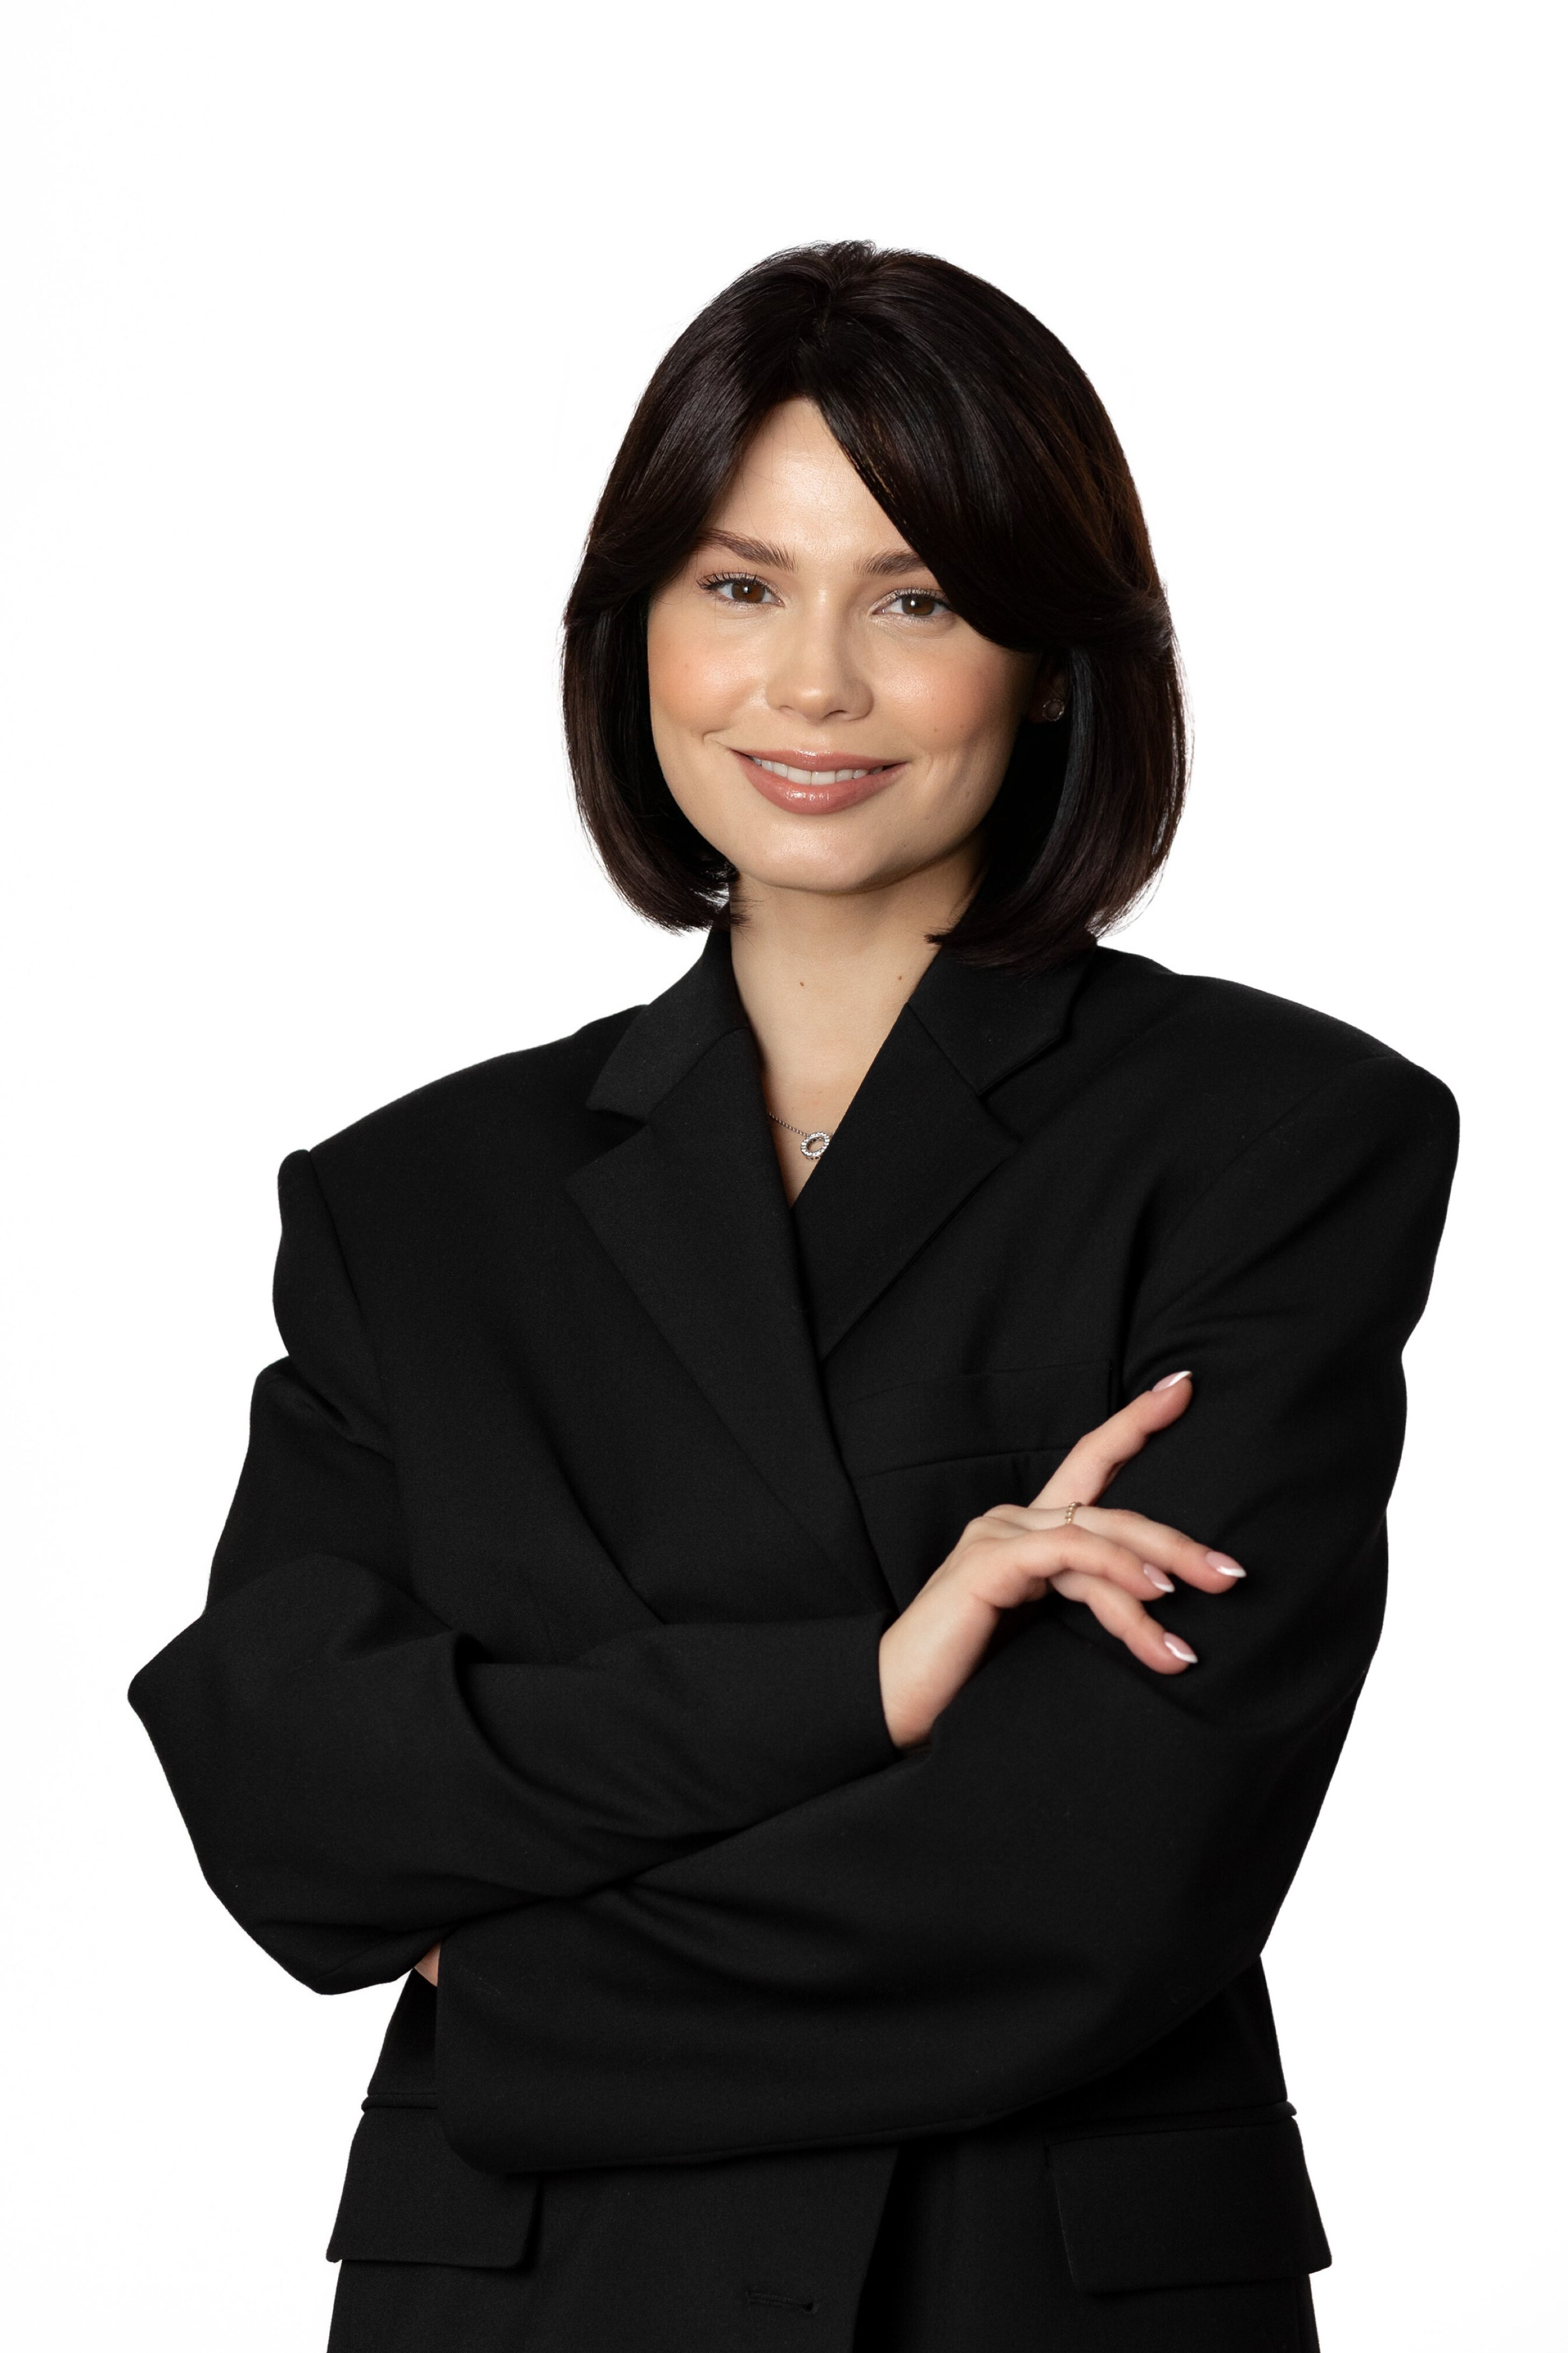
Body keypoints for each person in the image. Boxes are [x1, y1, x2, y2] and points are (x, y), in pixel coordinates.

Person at [129, 243, 1458, 2353]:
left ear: (1051, 660)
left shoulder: (1277, 1137)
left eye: (912, 600)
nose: (812, 685)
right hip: (538, 2300)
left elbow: (1095, 1875)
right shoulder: (417, 1199)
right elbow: (290, 1792)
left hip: (1026, 2288)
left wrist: (513, 1970)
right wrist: (872, 1683)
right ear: (635, 633)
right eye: (740, 586)